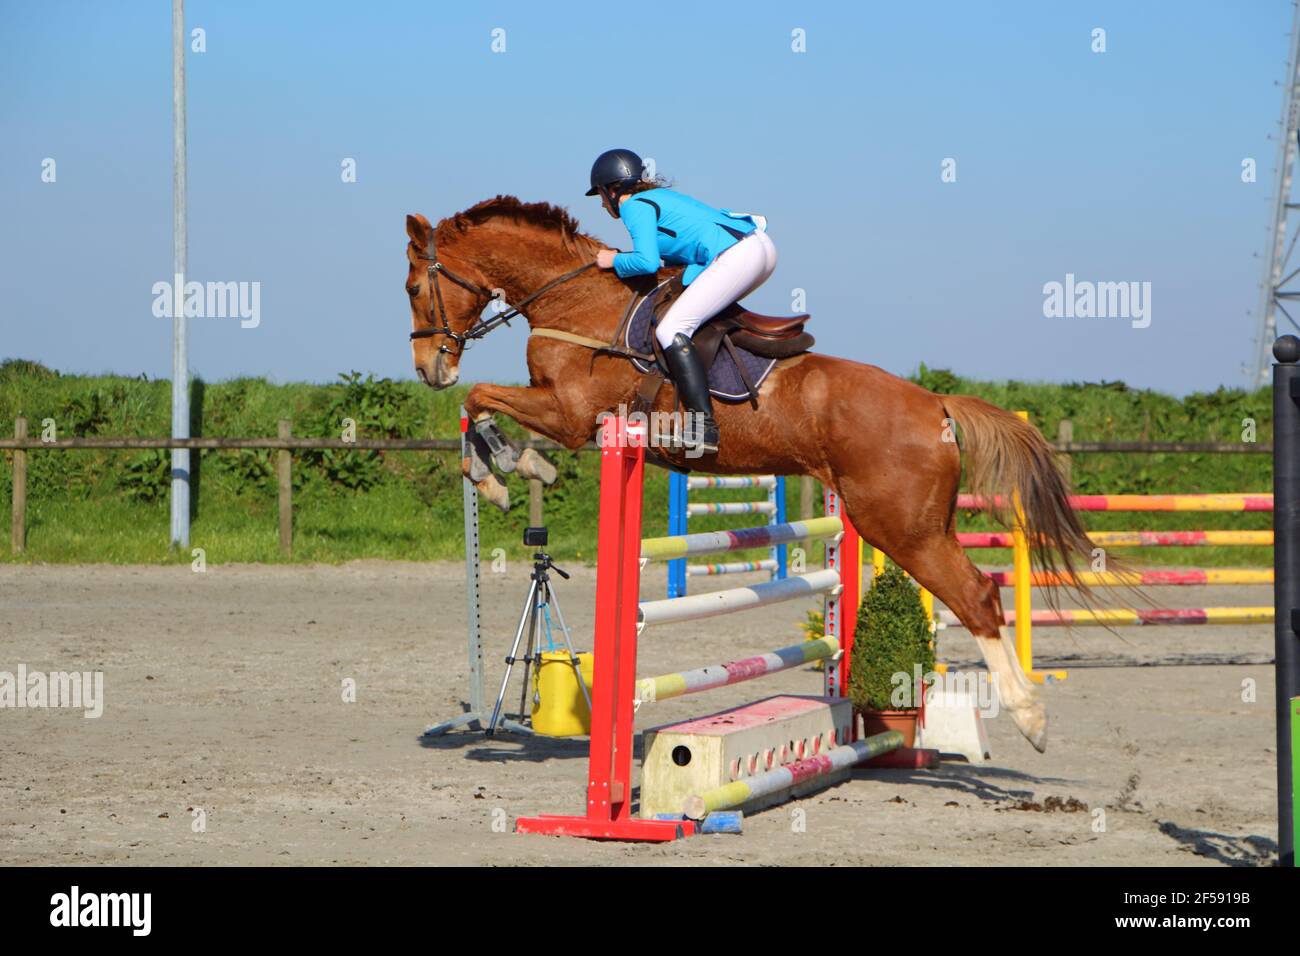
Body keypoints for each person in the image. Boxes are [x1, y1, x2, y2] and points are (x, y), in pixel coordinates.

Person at [587, 148, 776, 454]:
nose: (601, 202)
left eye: (599, 194)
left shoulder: (633, 206)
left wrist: (615, 260)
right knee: (696, 318)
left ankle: (704, 427)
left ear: (612, 189)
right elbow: (669, 260)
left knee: (671, 329)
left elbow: (647, 263)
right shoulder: (657, 199)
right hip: (758, 249)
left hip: (738, 254)